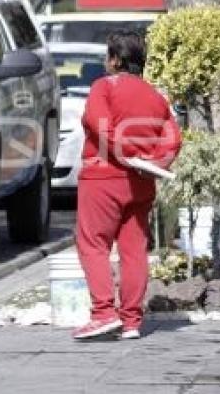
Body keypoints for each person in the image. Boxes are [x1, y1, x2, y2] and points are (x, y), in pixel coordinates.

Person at [74, 31, 182, 341]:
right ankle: (132, 321)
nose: (105, 63)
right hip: (142, 183)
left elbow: (99, 124)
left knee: (93, 244)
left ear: (116, 60)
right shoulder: (157, 96)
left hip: (103, 178)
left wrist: (127, 153)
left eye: (108, 57)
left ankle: (103, 313)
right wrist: (157, 163)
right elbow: (173, 137)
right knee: (134, 251)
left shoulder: (103, 87)